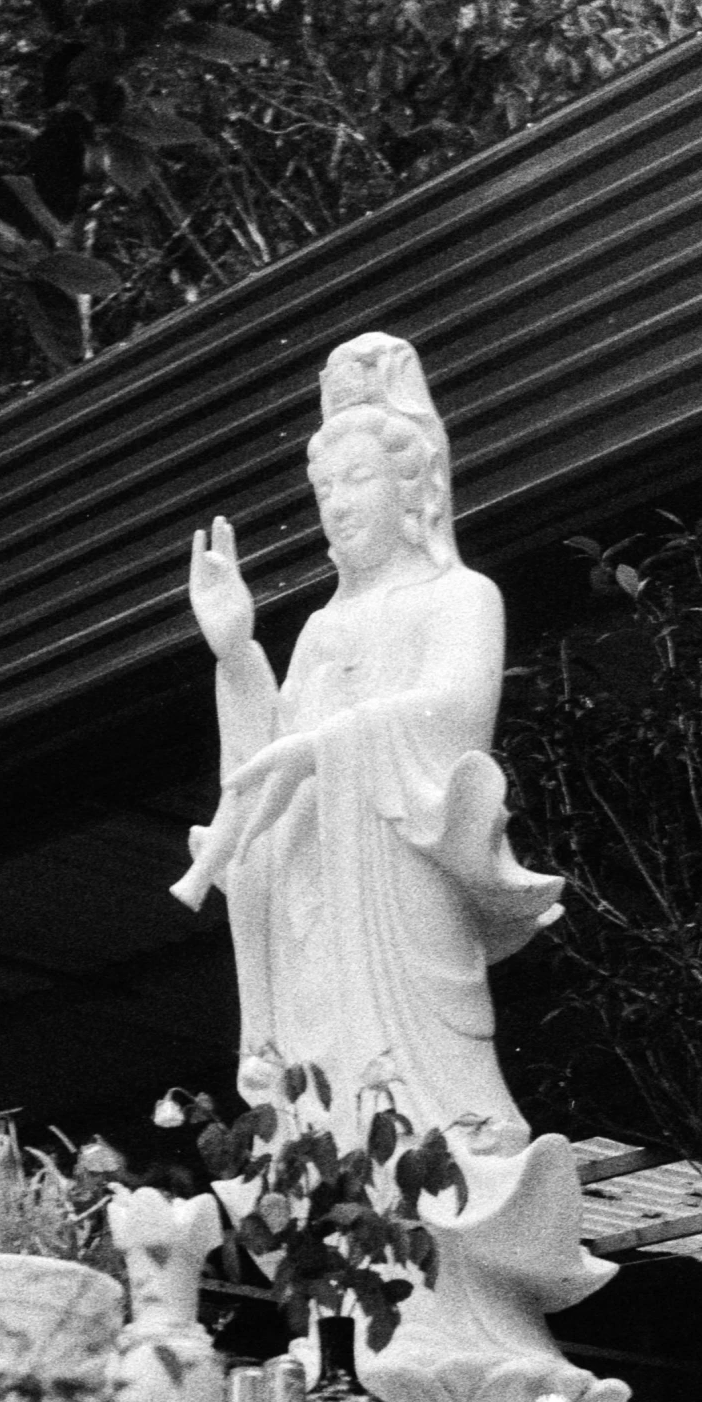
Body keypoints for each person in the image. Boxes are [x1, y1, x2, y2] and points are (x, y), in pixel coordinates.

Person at [173, 330, 565, 1153]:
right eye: (322, 488)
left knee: (433, 1109)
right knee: (324, 1109)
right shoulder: (319, 627)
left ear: (412, 486)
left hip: (396, 871)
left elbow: (458, 713)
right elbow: (256, 777)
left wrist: (330, 746)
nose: (337, 504)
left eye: (356, 479)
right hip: (317, 889)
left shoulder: (460, 597)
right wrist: (237, 653)